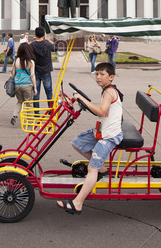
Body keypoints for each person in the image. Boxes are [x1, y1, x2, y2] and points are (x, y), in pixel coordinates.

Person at [56, 62, 123, 214]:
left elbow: (101, 111)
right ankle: (103, 169)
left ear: (111, 77)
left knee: (92, 168)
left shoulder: (109, 92)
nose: (98, 77)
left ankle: (77, 203)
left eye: (102, 74)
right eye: (96, 74)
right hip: (103, 130)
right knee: (78, 143)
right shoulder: (106, 90)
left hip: (110, 135)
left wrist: (82, 99)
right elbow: (104, 114)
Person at [10, 43, 37, 125]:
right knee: (29, 103)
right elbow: (32, 75)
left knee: (20, 101)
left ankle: (14, 115)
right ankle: (30, 120)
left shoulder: (16, 61)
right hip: (27, 84)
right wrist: (35, 87)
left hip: (17, 84)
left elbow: (12, 74)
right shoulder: (30, 62)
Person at [30, 27, 56, 104]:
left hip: (36, 71)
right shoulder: (47, 44)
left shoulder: (32, 45)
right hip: (46, 71)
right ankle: (51, 112)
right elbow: (56, 48)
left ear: (35, 34)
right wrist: (51, 42)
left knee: (35, 92)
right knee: (49, 93)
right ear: (44, 35)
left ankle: (36, 114)